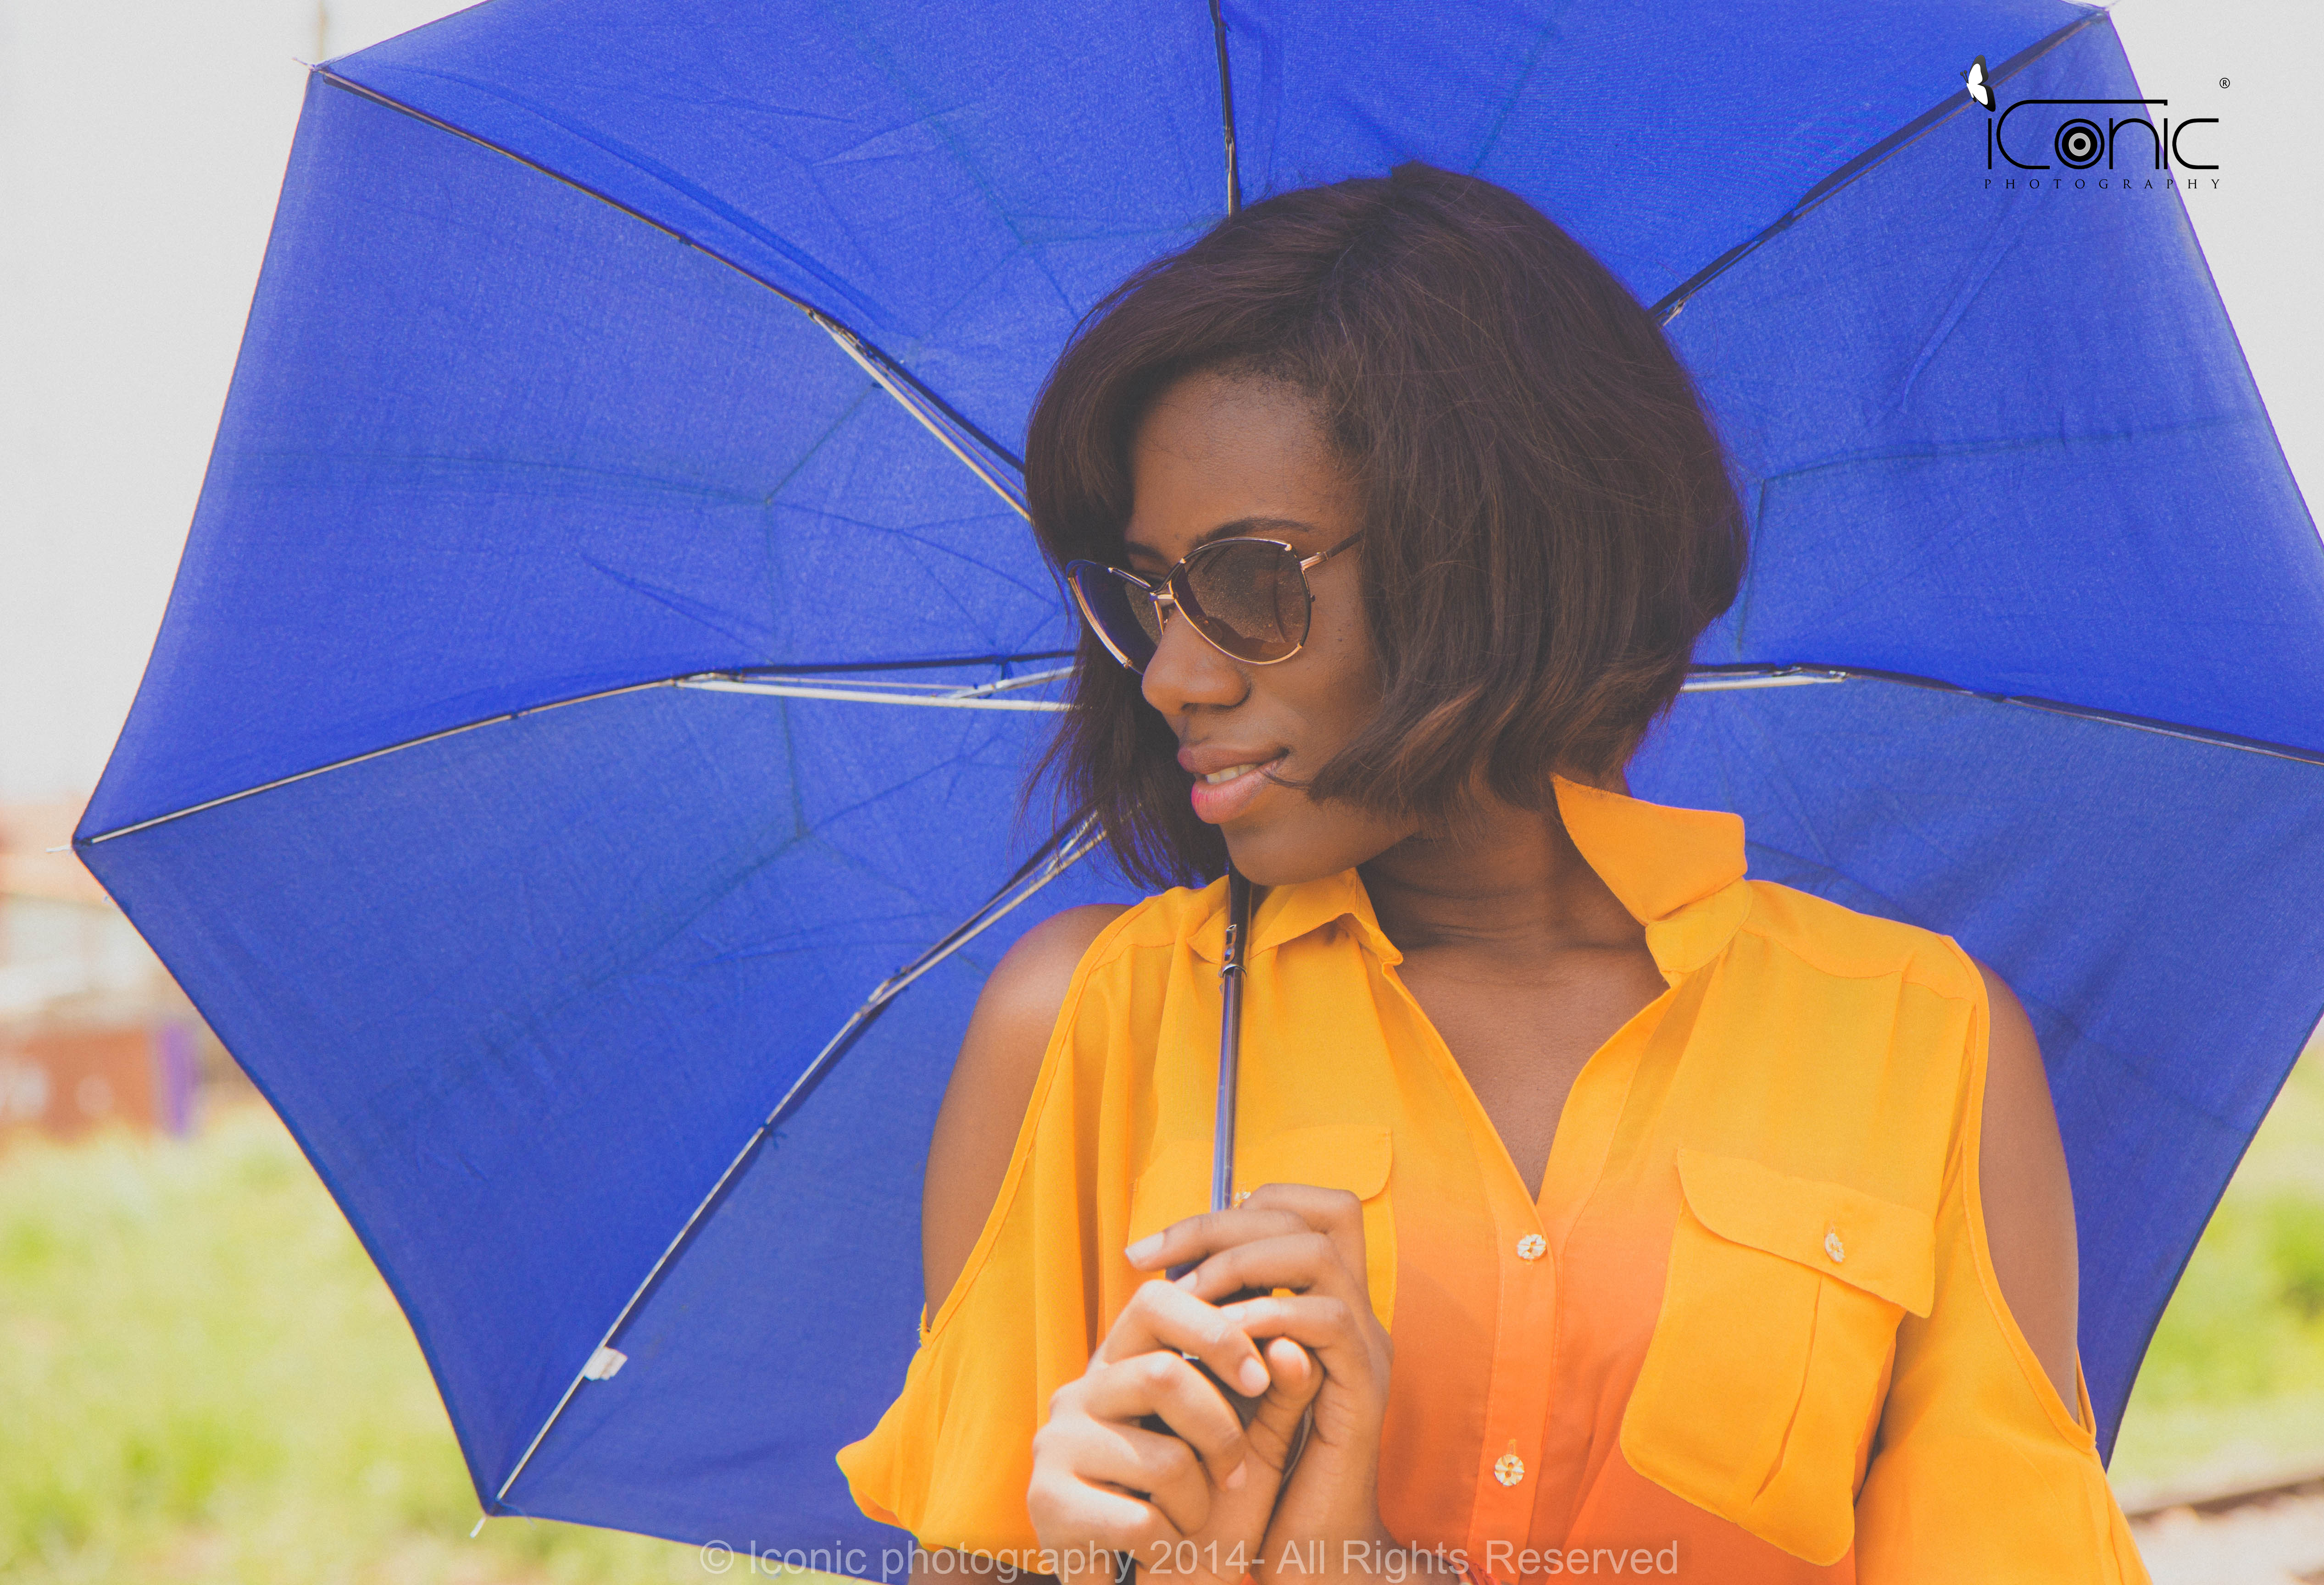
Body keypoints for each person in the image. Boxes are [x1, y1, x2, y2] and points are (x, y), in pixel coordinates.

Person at [838, 164, 2148, 1584]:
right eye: (1149, 595)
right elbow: (972, 1563)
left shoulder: (1917, 1042)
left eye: (1250, 584)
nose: (1172, 674)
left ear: (1494, 555)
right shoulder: (1093, 1021)